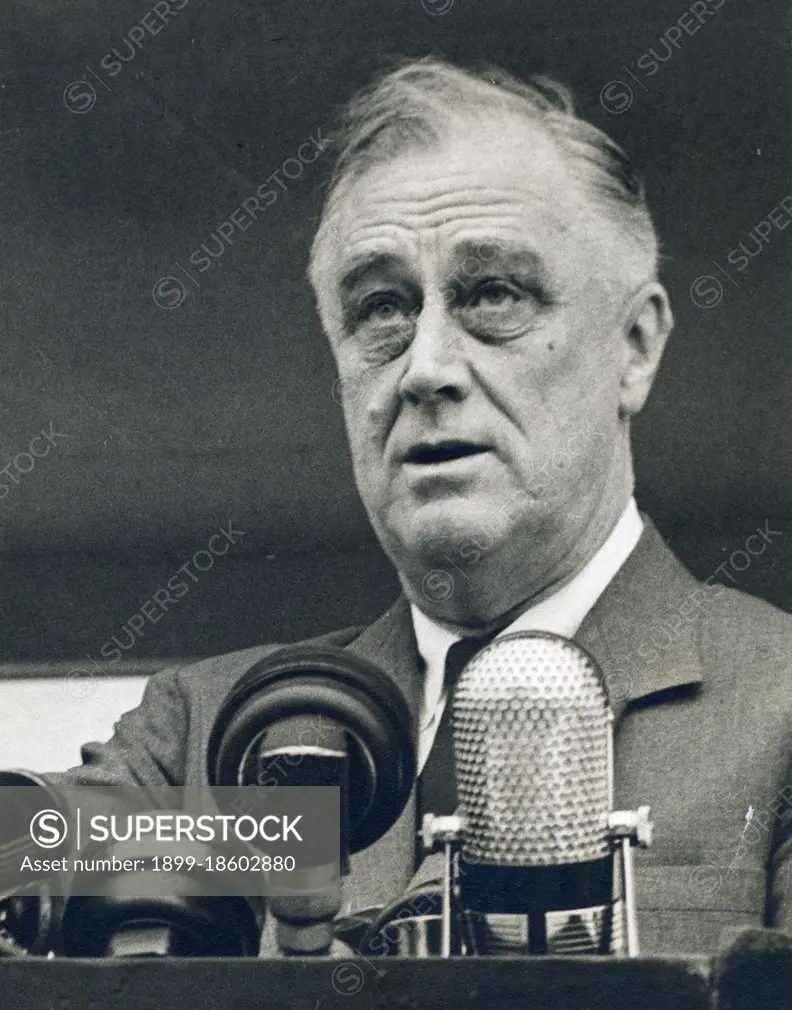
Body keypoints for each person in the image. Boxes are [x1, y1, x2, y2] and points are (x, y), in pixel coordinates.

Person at [26, 57, 792, 954]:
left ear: (635, 347)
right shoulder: (211, 726)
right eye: (381, 307)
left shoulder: (777, 704)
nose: (425, 366)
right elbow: (17, 858)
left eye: (494, 293)